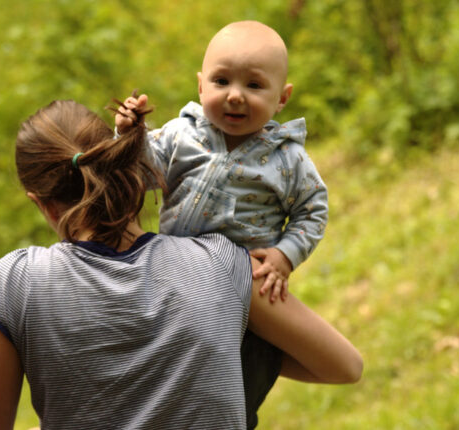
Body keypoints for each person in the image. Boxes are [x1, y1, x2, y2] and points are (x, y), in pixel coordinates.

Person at [0, 99, 361, 429]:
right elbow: (344, 366)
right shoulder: (220, 263)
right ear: (125, 164)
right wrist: (223, 334)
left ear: (40, 202)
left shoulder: (16, 283)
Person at [115, 20, 327, 427]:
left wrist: (285, 255)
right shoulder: (180, 136)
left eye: (254, 85)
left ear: (282, 98)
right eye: (221, 80)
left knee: (240, 388)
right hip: (173, 285)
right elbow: (143, 174)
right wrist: (130, 135)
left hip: (244, 297)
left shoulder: (288, 159)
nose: (234, 95)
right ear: (200, 86)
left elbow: (313, 209)